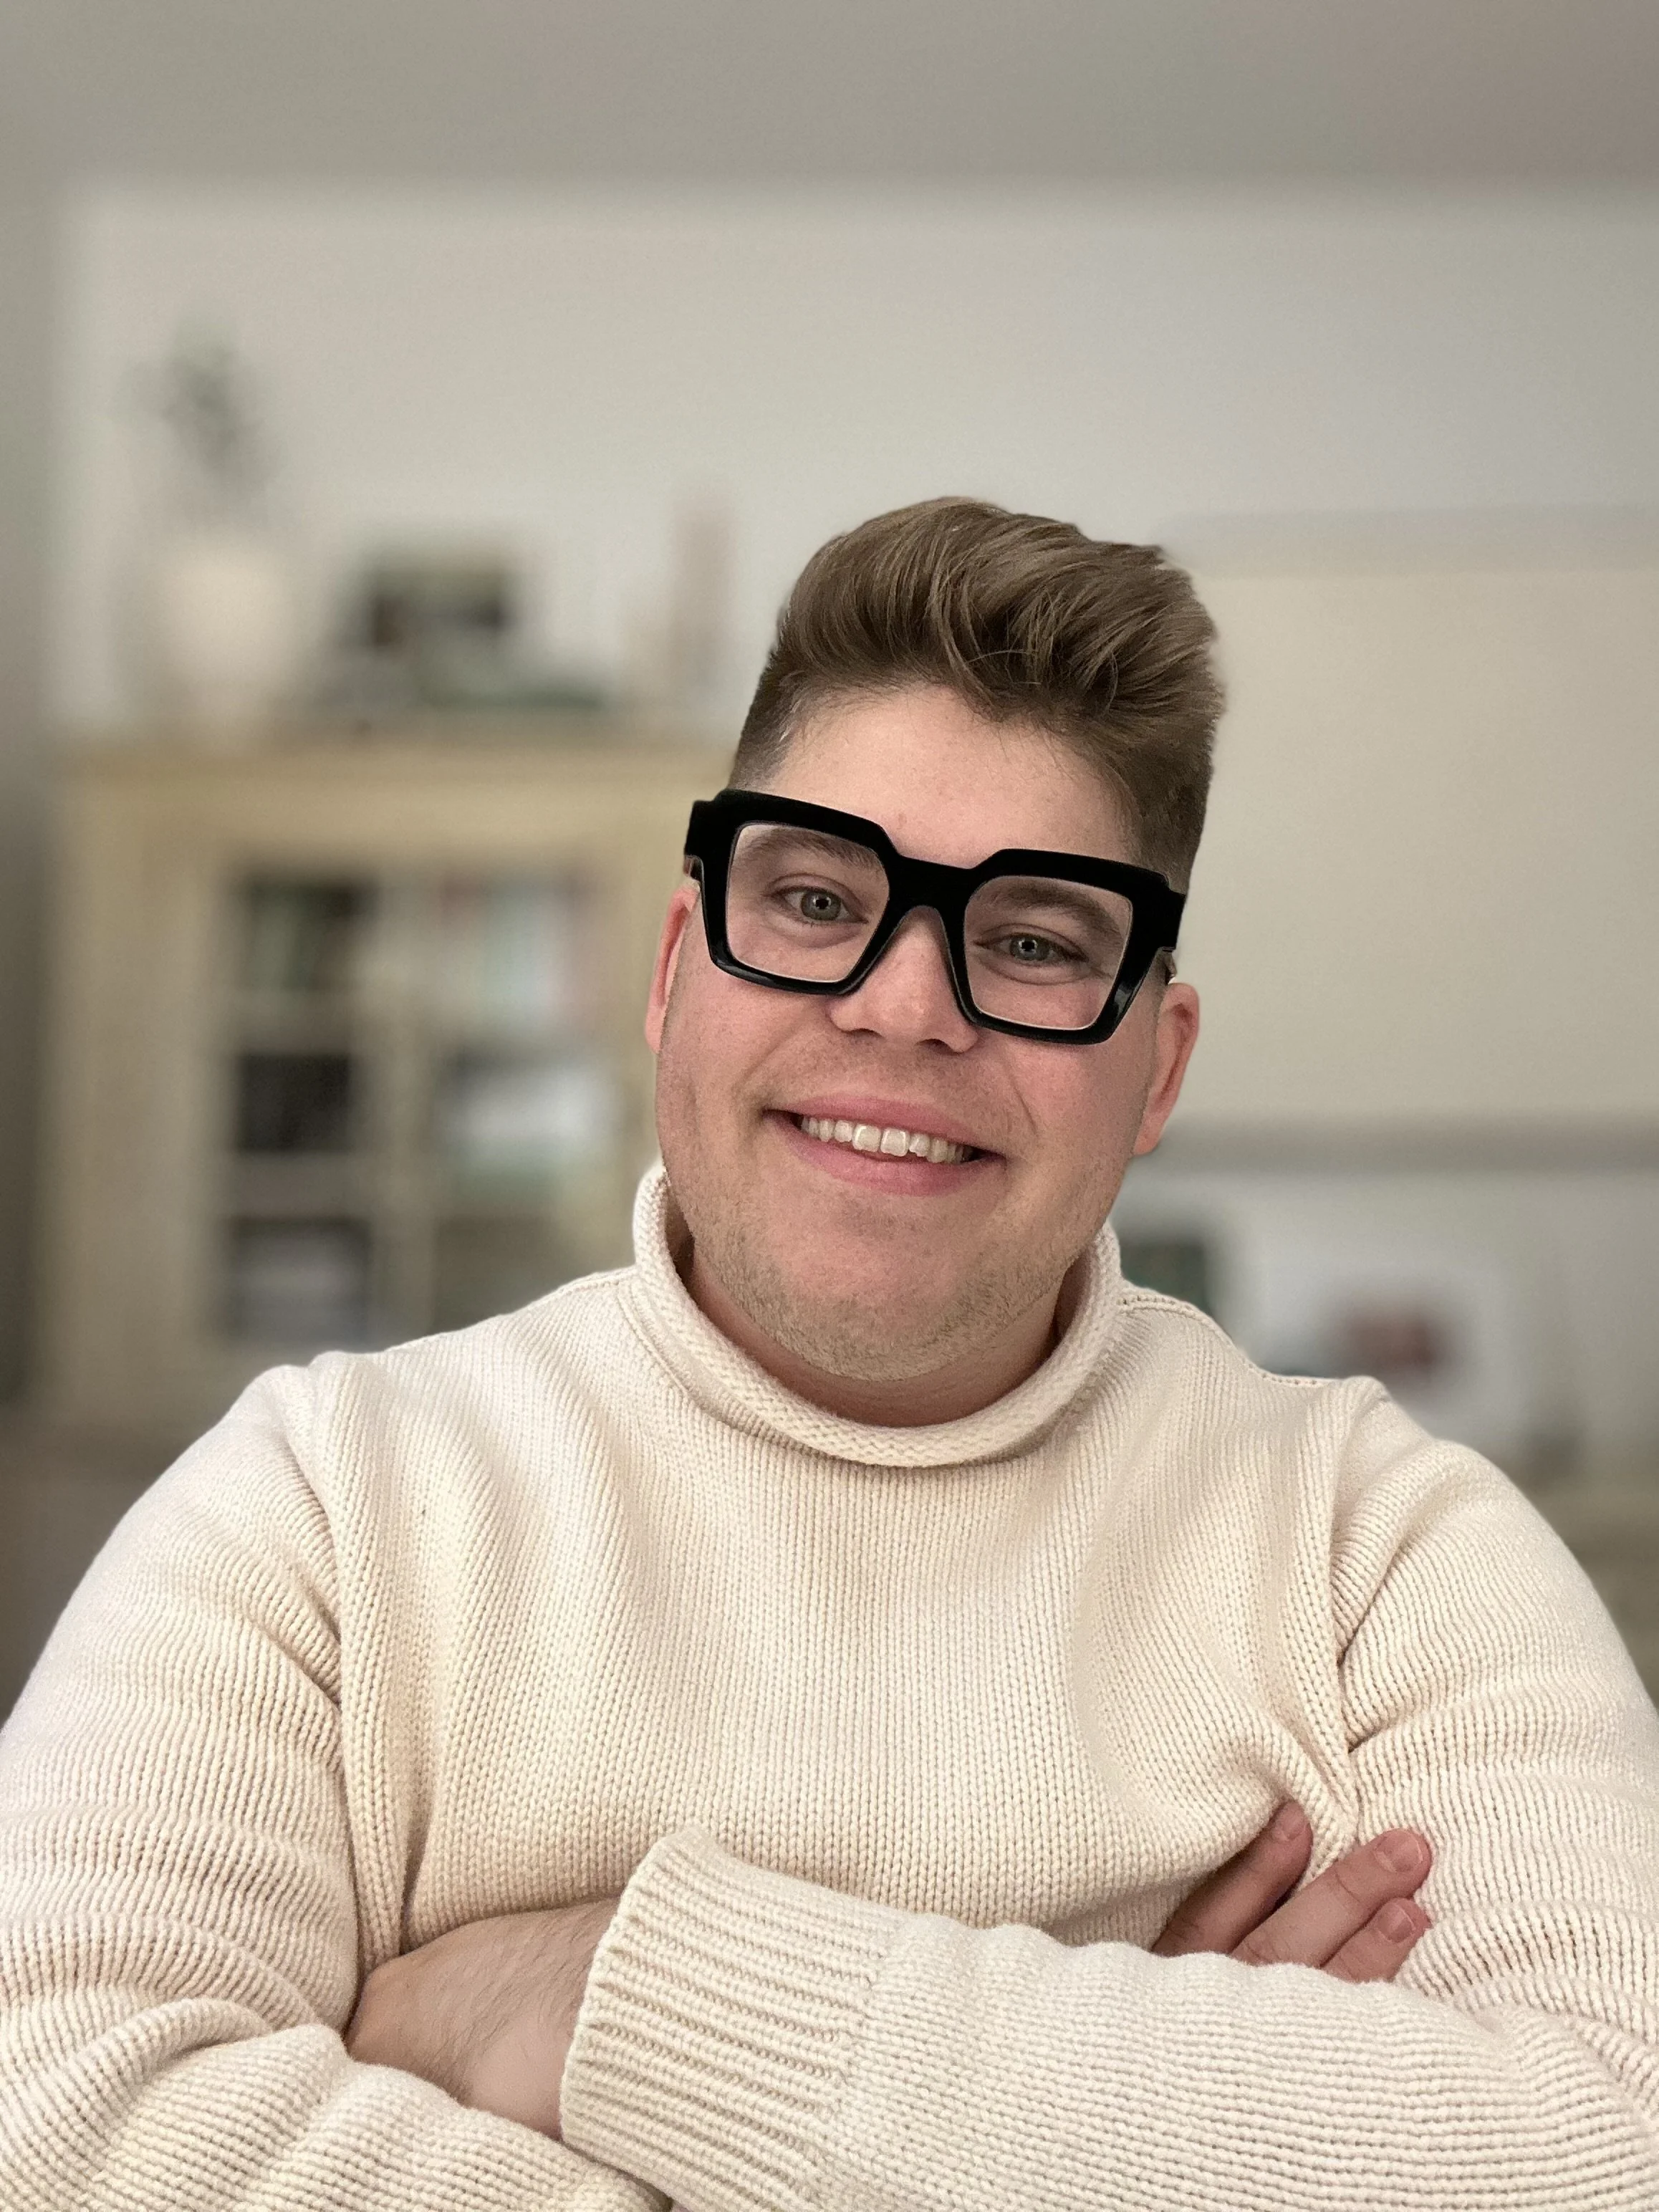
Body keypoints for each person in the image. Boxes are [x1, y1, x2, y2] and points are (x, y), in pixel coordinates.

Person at [2, 499, 1656, 2212]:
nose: (902, 1006)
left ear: (1156, 1067)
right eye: (813, 897)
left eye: (1033, 939)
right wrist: (1132, 2121)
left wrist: (602, 1997)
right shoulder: (321, 1510)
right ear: (675, 968)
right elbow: (55, 2126)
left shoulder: (1381, 1553)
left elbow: (1612, 2148)